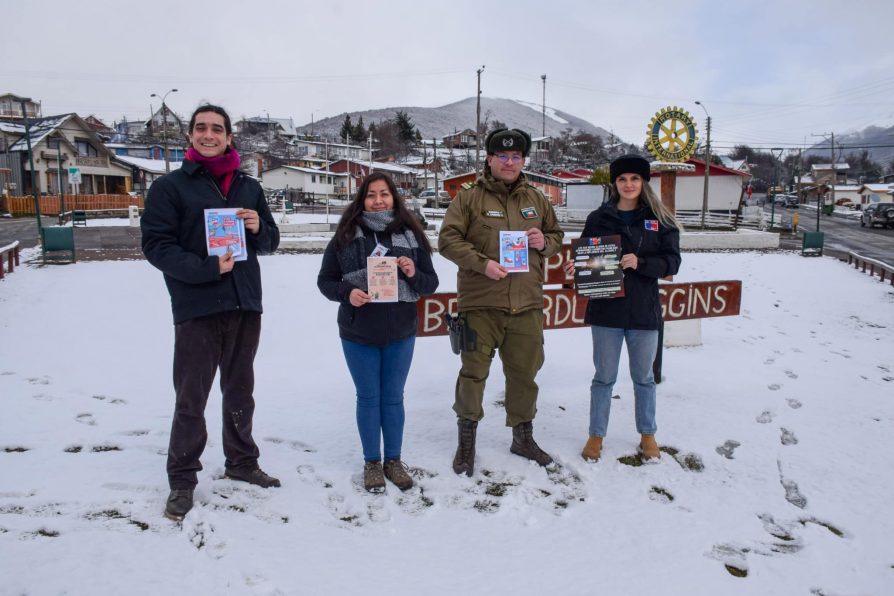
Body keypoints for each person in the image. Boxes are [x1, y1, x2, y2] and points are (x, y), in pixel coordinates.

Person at [141, 104, 281, 521]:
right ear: (190, 136)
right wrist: (204, 269)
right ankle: (182, 479)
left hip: (244, 304)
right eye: (200, 128)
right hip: (197, 307)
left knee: (240, 390)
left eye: (216, 129)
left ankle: (241, 461)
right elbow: (156, 246)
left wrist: (259, 227)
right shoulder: (170, 188)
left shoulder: (248, 187)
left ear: (228, 137)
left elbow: (271, 241)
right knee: (191, 396)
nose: (208, 134)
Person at [439, 128, 564, 476]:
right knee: (473, 374)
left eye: (516, 156)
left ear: (523, 160)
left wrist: (544, 241)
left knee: (525, 375)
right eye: (502, 156)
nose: (509, 162)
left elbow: (556, 236)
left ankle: (522, 437)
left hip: (526, 305)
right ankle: (467, 443)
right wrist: (482, 263)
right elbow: (447, 241)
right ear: (490, 159)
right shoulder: (468, 199)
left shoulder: (537, 199)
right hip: (481, 304)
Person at [317, 172, 439, 493]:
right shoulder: (345, 235)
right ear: (362, 200)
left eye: (384, 194)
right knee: (369, 398)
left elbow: (431, 284)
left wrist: (413, 272)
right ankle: (372, 462)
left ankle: (393, 460)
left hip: (401, 332)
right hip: (359, 333)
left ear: (394, 198)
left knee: (394, 398)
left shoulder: (411, 235)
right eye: (371, 195)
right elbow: (325, 281)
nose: (378, 200)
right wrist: (348, 293)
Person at [563, 154, 681, 463]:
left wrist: (640, 263)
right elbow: (589, 257)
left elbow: (673, 262)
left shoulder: (661, 219)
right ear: (614, 183)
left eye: (635, 179)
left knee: (644, 378)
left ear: (644, 182)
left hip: (644, 311)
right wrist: (578, 267)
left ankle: (648, 434)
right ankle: (596, 434)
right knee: (604, 377)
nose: (628, 184)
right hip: (606, 310)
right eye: (622, 179)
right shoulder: (599, 217)